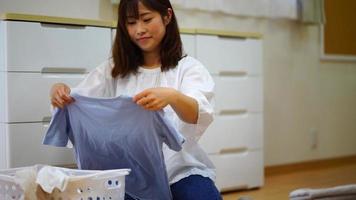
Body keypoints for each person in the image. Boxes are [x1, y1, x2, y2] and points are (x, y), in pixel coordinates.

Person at [49, 0, 221, 199]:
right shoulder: (113, 70)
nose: (139, 29)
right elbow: (77, 100)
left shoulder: (188, 68)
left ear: (167, 16)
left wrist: (173, 96)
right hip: (128, 176)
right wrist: (59, 91)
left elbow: (196, 114)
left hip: (180, 170)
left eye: (147, 19)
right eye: (131, 23)